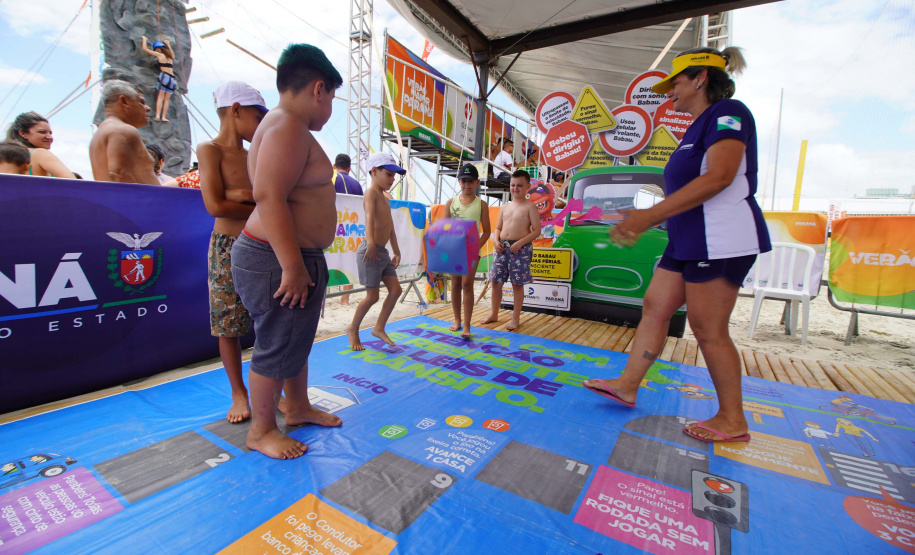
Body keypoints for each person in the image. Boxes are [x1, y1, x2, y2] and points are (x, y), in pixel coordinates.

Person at [581, 46, 769, 444]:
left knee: (707, 327)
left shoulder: (728, 113)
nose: (669, 94)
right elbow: (686, 187)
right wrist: (646, 215)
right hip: (685, 239)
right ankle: (629, 384)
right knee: (654, 306)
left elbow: (719, 177)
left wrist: (649, 215)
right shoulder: (694, 127)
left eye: (675, 84)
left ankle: (733, 419)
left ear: (700, 78)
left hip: (720, 238)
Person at [229, 43, 343, 460]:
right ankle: (261, 431)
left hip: (286, 255)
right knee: (277, 342)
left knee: (294, 338)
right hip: (278, 257)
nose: (330, 107)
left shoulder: (281, 126)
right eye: (332, 98)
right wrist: (292, 265)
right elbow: (268, 196)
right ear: (318, 89)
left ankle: (295, 406)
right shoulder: (287, 127)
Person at [198, 81, 268, 424]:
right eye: (257, 116)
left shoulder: (254, 155)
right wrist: (251, 198)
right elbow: (215, 205)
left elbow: (264, 202)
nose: (261, 125)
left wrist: (243, 195)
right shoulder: (209, 150)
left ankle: (270, 389)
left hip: (259, 244)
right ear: (236, 110)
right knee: (228, 325)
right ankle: (238, 391)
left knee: (269, 319)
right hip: (227, 246)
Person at [346, 152, 406, 351]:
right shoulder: (370, 193)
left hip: (383, 252)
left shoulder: (385, 198)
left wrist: (396, 251)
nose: (392, 179)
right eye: (389, 174)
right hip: (370, 250)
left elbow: (390, 228)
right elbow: (369, 219)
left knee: (396, 290)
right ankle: (353, 328)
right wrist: (371, 244)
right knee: (372, 296)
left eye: (394, 176)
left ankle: (379, 327)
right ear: (374, 171)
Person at [480, 169, 540, 331]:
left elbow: (536, 230)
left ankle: (515, 318)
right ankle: (494, 313)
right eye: (513, 185)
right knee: (496, 282)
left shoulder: (530, 207)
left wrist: (520, 243)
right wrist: (495, 240)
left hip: (520, 250)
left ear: (528, 186)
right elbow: (498, 228)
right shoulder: (505, 207)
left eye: (520, 185)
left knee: (517, 284)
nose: (515, 188)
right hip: (501, 248)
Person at [445, 163, 491, 339]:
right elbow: (444, 228)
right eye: (464, 181)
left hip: (472, 251)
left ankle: (467, 324)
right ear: (458, 182)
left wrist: (474, 247)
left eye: (470, 182)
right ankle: (457, 320)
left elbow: (486, 231)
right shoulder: (451, 202)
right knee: (455, 284)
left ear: (477, 182)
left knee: (467, 284)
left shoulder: (482, 204)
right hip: (454, 251)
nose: (467, 185)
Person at [89, 80, 160, 185]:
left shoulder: (100, 133)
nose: (148, 108)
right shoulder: (123, 130)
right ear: (124, 101)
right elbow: (119, 174)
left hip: (110, 200)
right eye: (141, 102)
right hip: (136, 200)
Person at [332, 153, 364, 305]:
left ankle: (321, 300)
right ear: (349, 168)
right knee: (349, 260)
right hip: (352, 227)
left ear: (334, 166)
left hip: (333, 225)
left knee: (328, 259)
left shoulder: (331, 179)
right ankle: (345, 299)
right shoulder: (356, 184)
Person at [5, 112, 76, 178]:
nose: (49, 137)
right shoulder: (40, 154)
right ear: (22, 133)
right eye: (42, 132)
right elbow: (74, 183)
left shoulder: (5, 156)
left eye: (50, 133)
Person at [141, 36, 177, 122]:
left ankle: (158, 115)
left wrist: (144, 40)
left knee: (161, 97)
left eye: (157, 49)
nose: (156, 51)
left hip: (165, 77)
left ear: (160, 49)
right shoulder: (170, 57)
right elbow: (172, 54)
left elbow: (145, 49)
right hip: (171, 79)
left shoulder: (161, 55)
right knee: (166, 98)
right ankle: (163, 117)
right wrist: (168, 44)